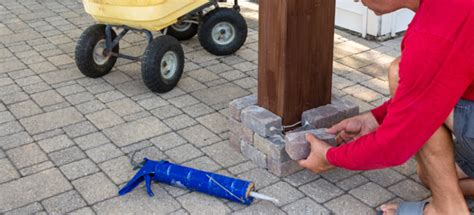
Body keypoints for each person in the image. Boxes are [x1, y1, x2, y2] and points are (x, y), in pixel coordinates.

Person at [298, 0, 474, 214]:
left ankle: (449, 210)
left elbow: (396, 143)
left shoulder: (436, 30)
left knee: (398, 71)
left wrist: (329, 157)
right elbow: (431, 88)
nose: (356, 1)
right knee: (430, 176)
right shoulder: (447, 11)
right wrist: (374, 118)